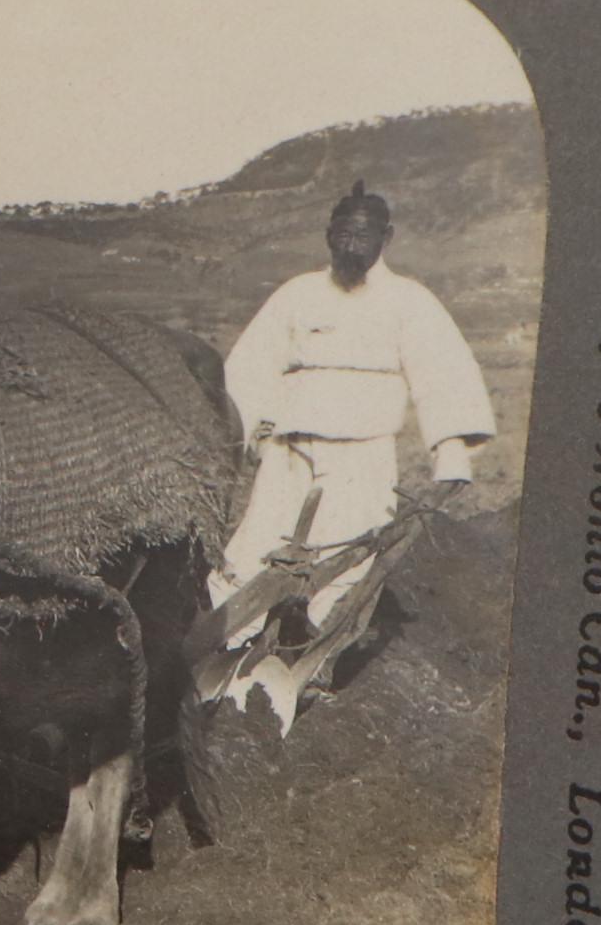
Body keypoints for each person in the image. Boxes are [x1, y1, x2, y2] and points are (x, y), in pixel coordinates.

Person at [211, 181, 495, 730]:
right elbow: (250, 367)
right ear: (327, 236)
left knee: (350, 556)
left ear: (385, 238)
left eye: (363, 234)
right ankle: (226, 651)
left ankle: (308, 664)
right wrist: (246, 433)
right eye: (342, 232)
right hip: (292, 447)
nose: (351, 243)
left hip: (362, 453)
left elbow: (442, 375)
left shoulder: (409, 301)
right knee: (254, 544)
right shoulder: (296, 294)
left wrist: (451, 451)